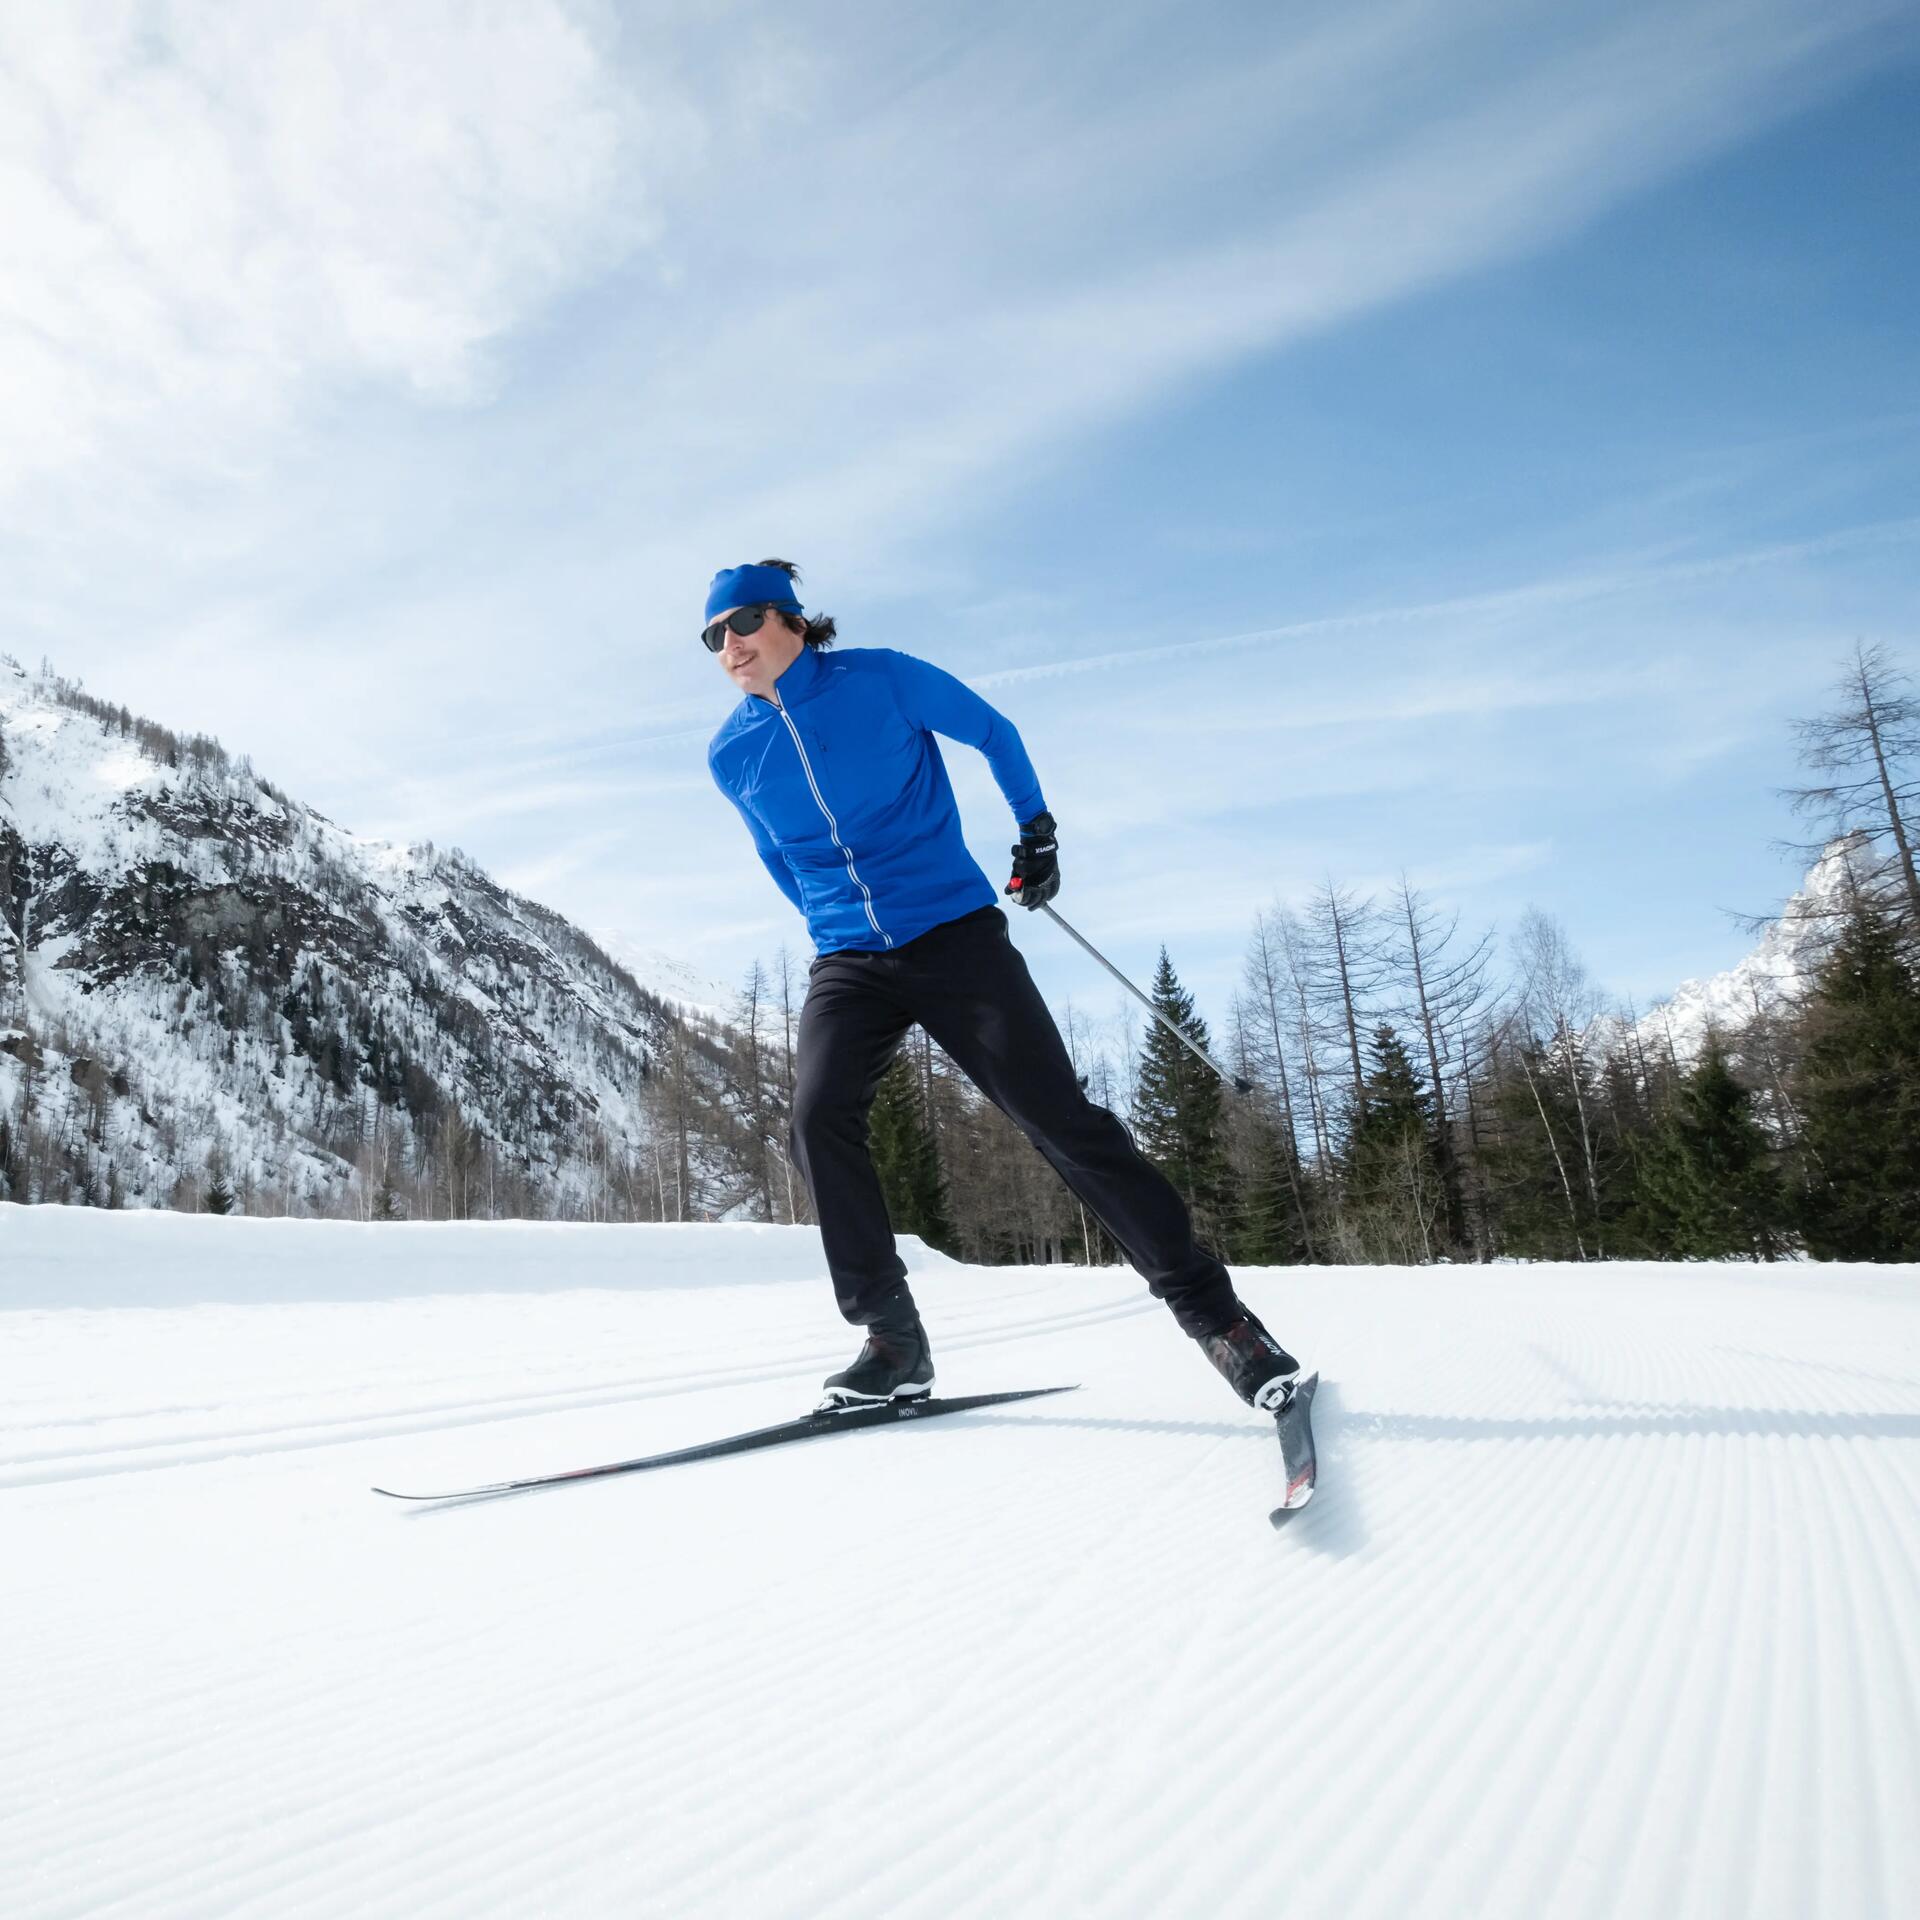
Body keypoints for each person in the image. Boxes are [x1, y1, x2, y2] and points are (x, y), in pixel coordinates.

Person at [704, 560, 1300, 1414]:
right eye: (713, 636)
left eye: (744, 622)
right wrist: (836, 927)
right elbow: (776, 858)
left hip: (952, 935)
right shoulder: (732, 753)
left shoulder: (884, 679)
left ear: (793, 621)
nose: (729, 645)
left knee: (1060, 1121)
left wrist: (1036, 830)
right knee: (814, 1119)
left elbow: (992, 730)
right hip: (848, 960)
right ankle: (892, 1341)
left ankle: (1221, 1322)